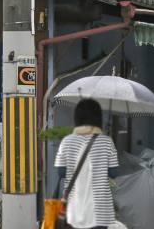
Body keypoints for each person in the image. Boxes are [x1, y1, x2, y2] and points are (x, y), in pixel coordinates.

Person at [55, 98, 119, 229]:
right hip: (100, 211)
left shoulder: (67, 141)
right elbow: (114, 173)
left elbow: (61, 172)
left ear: (77, 118)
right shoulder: (107, 142)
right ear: (98, 118)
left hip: (74, 209)